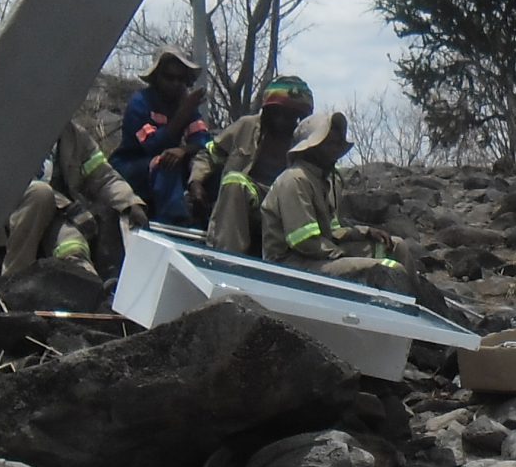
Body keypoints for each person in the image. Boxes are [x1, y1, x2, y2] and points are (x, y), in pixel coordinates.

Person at [259, 110, 407, 288]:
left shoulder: (322, 181)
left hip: (320, 255)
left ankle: (424, 301)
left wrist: (364, 232)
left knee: (397, 247)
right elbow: (303, 241)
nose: (335, 150)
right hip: (291, 264)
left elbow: (331, 231)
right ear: (312, 146)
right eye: (329, 143)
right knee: (391, 269)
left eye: (337, 143)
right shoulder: (295, 179)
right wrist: (342, 254)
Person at [4, 117, 147, 278]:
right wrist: (70, 208)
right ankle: (11, 283)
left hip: (57, 215)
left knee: (72, 245)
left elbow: (103, 176)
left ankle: (91, 290)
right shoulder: (12, 128)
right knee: (41, 193)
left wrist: (129, 202)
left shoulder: (75, 136)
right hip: (18, 208)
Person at [192, 73, 316, 255]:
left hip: (284, 209)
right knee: (234, 182)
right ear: (267, 110)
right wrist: (196, 181)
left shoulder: (307, 141)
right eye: (278, 112)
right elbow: (210, 154)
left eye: (291, 115)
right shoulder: (246, 127)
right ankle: (228, 258)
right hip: (249, 201)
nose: (282, 120)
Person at [113, 48, 211, 225]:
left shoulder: (186, 105)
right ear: (157, 77)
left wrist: (183, 150)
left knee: (204, 168)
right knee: (164, 161)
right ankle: (173, 221)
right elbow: (152, 145)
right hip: (131, 166)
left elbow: (203, 140)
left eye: (180, 79)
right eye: (169, 77)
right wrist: (182, 114)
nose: (175, 83)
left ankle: (202, 220)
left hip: (167, 166)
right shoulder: (140, 102)